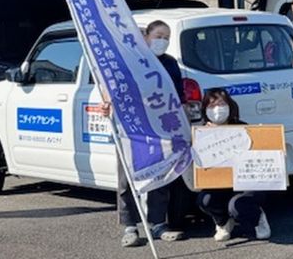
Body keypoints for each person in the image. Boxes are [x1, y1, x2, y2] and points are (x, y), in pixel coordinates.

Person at [102, 20, 186, 248]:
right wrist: (107, 102)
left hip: (160, 127)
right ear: (146, 36)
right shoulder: (130, 60)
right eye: (158, 36)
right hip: (132, 127)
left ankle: (158, 223)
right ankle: (130, 226)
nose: (163, 41)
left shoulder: (169, 63)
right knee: (127, 176)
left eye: (167, 38)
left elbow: (178, 96)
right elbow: (112, 86)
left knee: (159, 173)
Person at [195, 88, 271, 241]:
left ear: (230, 106)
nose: (217, 109)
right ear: (205, 110)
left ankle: (258, 219)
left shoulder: (243, 128)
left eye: (221, 104)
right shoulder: (201, 134)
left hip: (246, 183)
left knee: (237, 205)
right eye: (211, 105)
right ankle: (223, 222)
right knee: (205, 200)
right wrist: (210, 137)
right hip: (219, 184)